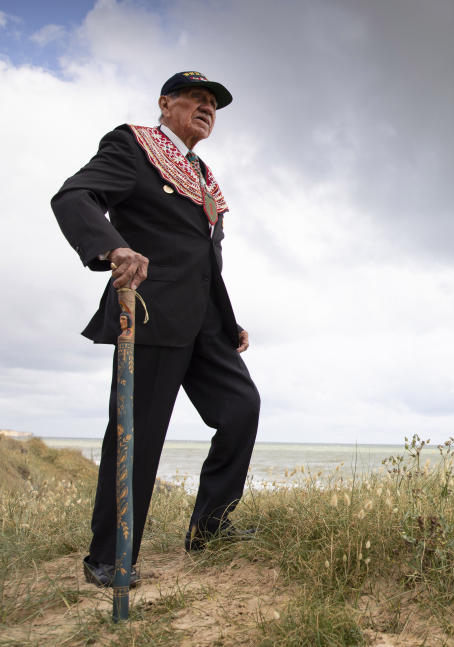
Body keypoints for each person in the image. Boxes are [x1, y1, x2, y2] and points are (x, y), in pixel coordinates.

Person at [51, 71, 260, 588]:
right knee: (136, 436)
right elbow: (74, 195)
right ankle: (109, 557)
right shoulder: (134, 147)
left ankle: (210, 528)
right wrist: (111, 246)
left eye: (213, 103)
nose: (207, 108)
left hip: (207, 322)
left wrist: (228, 322)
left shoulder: (204, 176)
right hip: (151, 312)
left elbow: (206, 259)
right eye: (196, 98)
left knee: (241, 409)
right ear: (166, 104)